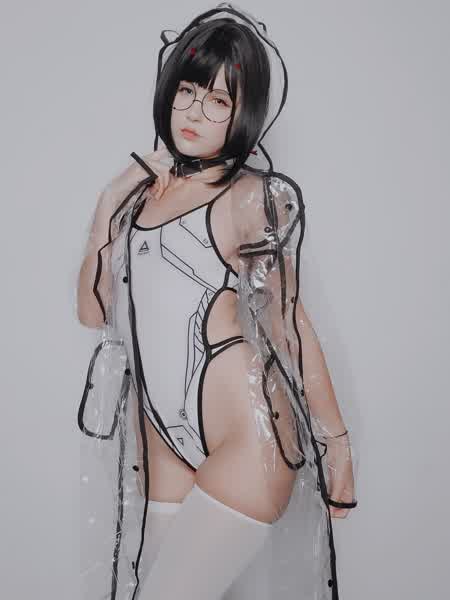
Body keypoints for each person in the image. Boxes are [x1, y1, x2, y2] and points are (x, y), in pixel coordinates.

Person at [76, 3, 358, 599]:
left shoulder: (249, 197)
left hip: (246, 438)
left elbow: (289, 323)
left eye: (218, 100)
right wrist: (108, 202)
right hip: (162, 443)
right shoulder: (137, 198)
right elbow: (93, 312)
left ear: (243, 113)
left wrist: (337, 445)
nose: (194, 112)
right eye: (186, 91)